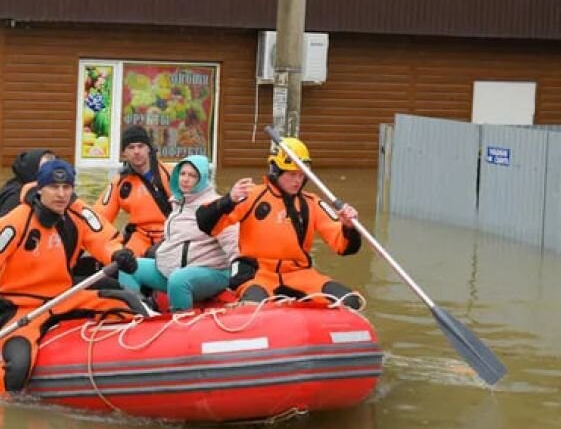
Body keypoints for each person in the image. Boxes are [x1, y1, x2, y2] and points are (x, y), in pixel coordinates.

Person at [0, 159, 139, 393]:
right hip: (22, 307)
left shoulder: (78, 214)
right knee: (18, 367)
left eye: (67, 188)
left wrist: (120, 254)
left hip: (63, 297)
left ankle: (113, 368)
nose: (61, 194)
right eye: (54, 188)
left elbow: (104, 240)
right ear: (40, 189)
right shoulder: (14, 223)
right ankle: (4, 417)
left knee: (128, 304)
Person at [196, 137, 364, 308]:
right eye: (292, 174)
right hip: (259, 274)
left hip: (299, 274)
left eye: (301, 175)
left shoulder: (311, 203)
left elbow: (344, 247)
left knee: (350, 300)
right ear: (276, 171)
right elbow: (205, 223)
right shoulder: (251, 195)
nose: (297, 181)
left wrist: (348, 227)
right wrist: (228, 200)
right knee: (253, 307)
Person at [119, 155, 237, 312]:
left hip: (212, 273)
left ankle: (180, 322)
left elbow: (234, 243)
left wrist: (240, 280)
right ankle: (138, 313)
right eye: (182, 174)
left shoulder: (216, 206)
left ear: (202, 179)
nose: (185, 179)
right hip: (174, 269)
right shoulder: (177, 203)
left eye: (192, 175)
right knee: (127, 266)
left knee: (178, 280)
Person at [93, 125, 172, 257]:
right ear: (124, 153)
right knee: (125, 265)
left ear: (148, 149)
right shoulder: (119, 183)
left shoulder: (171, 174)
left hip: (170, 236)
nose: (136, 151)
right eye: (131, 147)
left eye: (140, 146)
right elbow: (99, 219)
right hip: (140, 238)